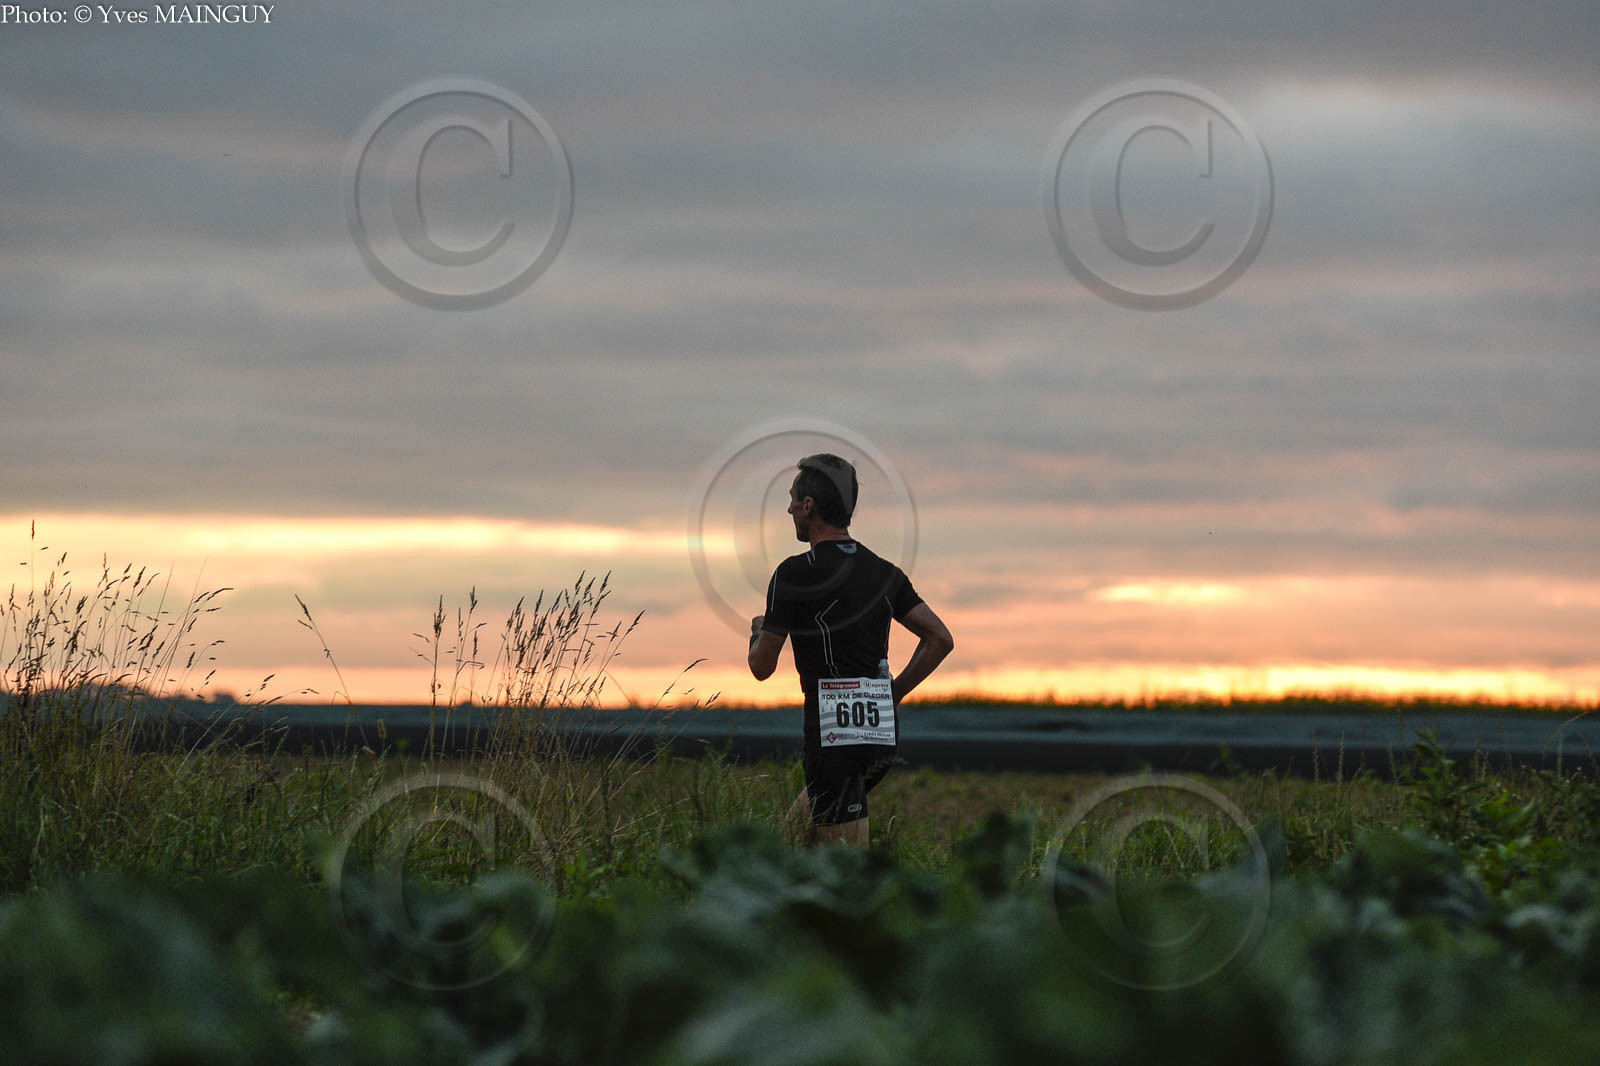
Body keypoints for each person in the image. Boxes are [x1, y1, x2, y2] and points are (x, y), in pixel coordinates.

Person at [747, 453, 954, 847]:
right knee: (793, 844)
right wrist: (893, 694)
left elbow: (762, 667)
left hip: (832, 736)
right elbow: (939, 639)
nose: (789, 509)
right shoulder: (886, 572)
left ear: (809, 506)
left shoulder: (793, 574)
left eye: (792, 499)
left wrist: (758, 632)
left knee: (845, 871)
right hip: (881, 737)